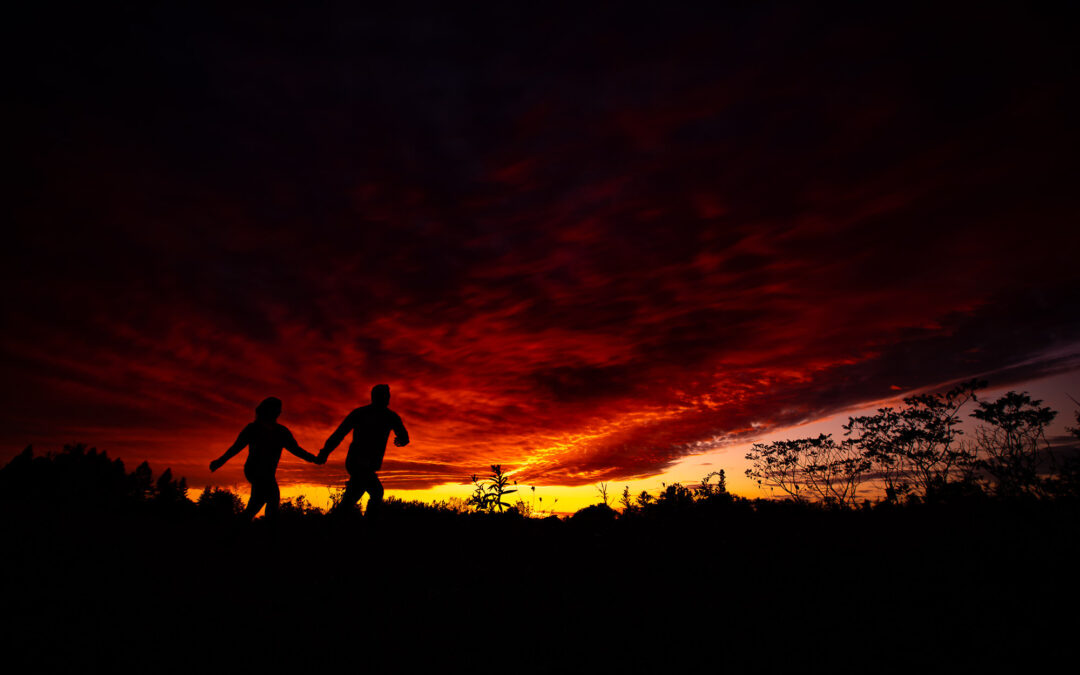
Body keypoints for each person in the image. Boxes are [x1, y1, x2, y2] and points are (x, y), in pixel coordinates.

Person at [210, 396, 320, 520]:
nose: (278, 412)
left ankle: (240, 528)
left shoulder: (281, 431)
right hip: (254, 470)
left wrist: (313, 459)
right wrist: (220, 461)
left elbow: (295, 449)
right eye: (275, 409)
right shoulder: (252, 429)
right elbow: (236, 447)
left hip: (268, 473)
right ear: (266, 410)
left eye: (279, 409)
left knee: (257, 503)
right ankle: (267, 528)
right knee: (272, 498)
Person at [317, 384, 409, 516]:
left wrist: (402, 440)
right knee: (375, 492)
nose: (387, 398)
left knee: (354, 497)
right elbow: (339, 434)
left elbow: (404, 436)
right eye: (384, 396)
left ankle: (337, 522)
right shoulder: (362, 414)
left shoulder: (390, 417)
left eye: (387, 396)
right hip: (357, 462)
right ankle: (368, 525)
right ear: (375, 397)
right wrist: (325, 452)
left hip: (367, 464)